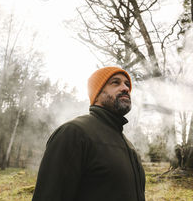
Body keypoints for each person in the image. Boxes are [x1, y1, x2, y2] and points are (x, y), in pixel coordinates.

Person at [32, 67, 145, 201]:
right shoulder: (73, 133)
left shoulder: (129, 146)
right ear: (96, 94)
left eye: (127, 84)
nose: (125, 88)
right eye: (115, 82)